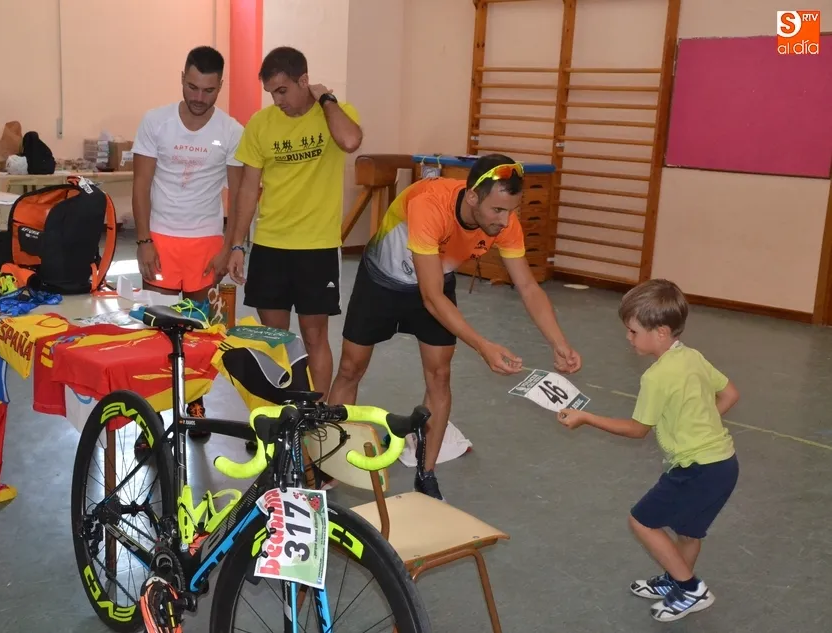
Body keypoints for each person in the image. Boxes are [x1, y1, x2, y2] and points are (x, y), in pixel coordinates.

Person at [327, 154, 582, 500]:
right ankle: (329, 462)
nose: (506, 221)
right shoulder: (430, 203)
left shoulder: (505, 222)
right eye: (498, 210)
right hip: (382, 281)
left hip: (437, 279)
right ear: (473, 196)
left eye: (512, 210)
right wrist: (483, 346)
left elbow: (527, 286)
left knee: (440, 375)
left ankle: (426, 473)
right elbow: (431, 299)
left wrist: (558, 342)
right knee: (350, 368)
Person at [557, 279, 740, 623]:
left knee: (641, 521)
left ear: (661, 332)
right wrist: (699, 423)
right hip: (724, 465)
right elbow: (730, 393)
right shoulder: (692, 357)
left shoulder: (656, 376)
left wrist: (587, 417)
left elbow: (637, 429)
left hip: (696, 469)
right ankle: (676, 579)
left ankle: (691, 590)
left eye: (633, 331)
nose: (628, 338)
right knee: (688, 531)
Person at [225, 46, 362, 401]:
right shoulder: (261, 124)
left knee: (315, 337)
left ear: (304, 81)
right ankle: (281, 415)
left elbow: (350, 141)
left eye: (283, 90)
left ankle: (315, 419)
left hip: (317, 247)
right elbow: (248, 189)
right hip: (270, 245)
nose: (278, 100)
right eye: (272, 92)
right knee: (275, 340)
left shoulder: (334, 114)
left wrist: (326, 99)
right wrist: (237, 244)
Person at [131, 45, 244, 436]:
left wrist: (228, 247)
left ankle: (195, 403)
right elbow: (141, 184)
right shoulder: (156, 122)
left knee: (198, 334)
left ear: (220, 87)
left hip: (206, 244)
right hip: (160, 240)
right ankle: (150, 420)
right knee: (157, 335)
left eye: (208, 90)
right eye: (192, 87)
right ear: (182, 78)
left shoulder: (231, 131)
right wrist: (143, 241)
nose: (199, 97)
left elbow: (237, 195)